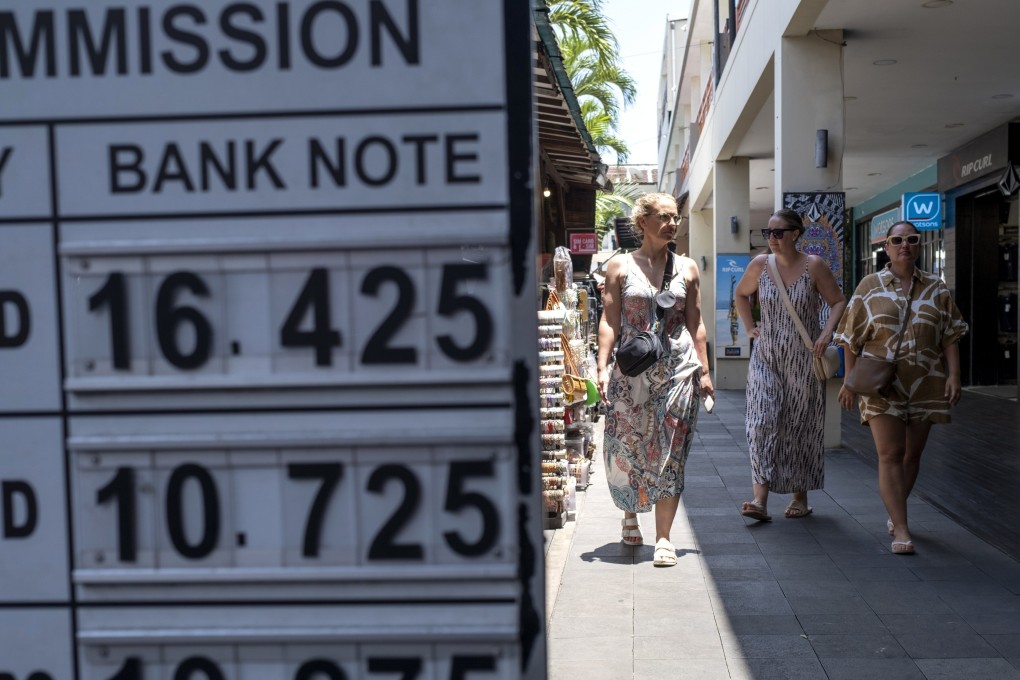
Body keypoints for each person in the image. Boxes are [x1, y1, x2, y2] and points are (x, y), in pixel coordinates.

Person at [834, 220, 967, 555]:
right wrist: (850, 382)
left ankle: (896, 510)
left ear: (919, 245)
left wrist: (954, 375)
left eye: (911, 239)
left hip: (927, 381)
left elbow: (950, 335)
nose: (904, 245)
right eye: (897, 240)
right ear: (887, 247)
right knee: (890, 454)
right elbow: (850, 339)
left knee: (913, 454)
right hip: (882, 384)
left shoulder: (937, 287)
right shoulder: (870, 286)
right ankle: (902, 528)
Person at [596, 192, 714, 567]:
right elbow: (609, 322)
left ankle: (664, 538)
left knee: (672, 453)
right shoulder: (618, 266)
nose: (672, 223)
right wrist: (601, 366)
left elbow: (696, 324)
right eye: (664, 217)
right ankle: (630, 511)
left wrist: (705, 371)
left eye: (675, 217)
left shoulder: (688, 268)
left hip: (678, 371)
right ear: (642, 222)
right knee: (626, 447)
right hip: (631, 373)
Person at [733, 208, 846, 521]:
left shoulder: (814, 266)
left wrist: (826, 332)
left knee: (799, 424)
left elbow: (838, 300)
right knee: (760, 422)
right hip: (766, 356)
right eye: (767, 233)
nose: (771, 239)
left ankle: (799, 496)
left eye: (778, 232)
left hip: (803, 357)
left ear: (796, 234)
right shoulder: (760, 265)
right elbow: (741, 295)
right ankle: (760, 499)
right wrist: (748, 327)